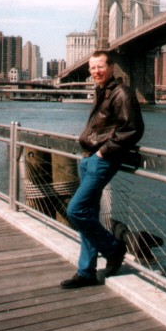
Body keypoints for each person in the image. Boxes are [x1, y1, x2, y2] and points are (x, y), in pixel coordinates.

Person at [60, 50, 144, 289]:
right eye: (92, 68)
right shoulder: (102, 91)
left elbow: (133, 129)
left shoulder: (122, 93)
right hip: (88, 158)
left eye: (100, 67)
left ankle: (114, 248)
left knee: (76, 210)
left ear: (112, 68)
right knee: (87, 213)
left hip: (102, 159)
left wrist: (104, 152)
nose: (96, 71)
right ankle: (86, 272)